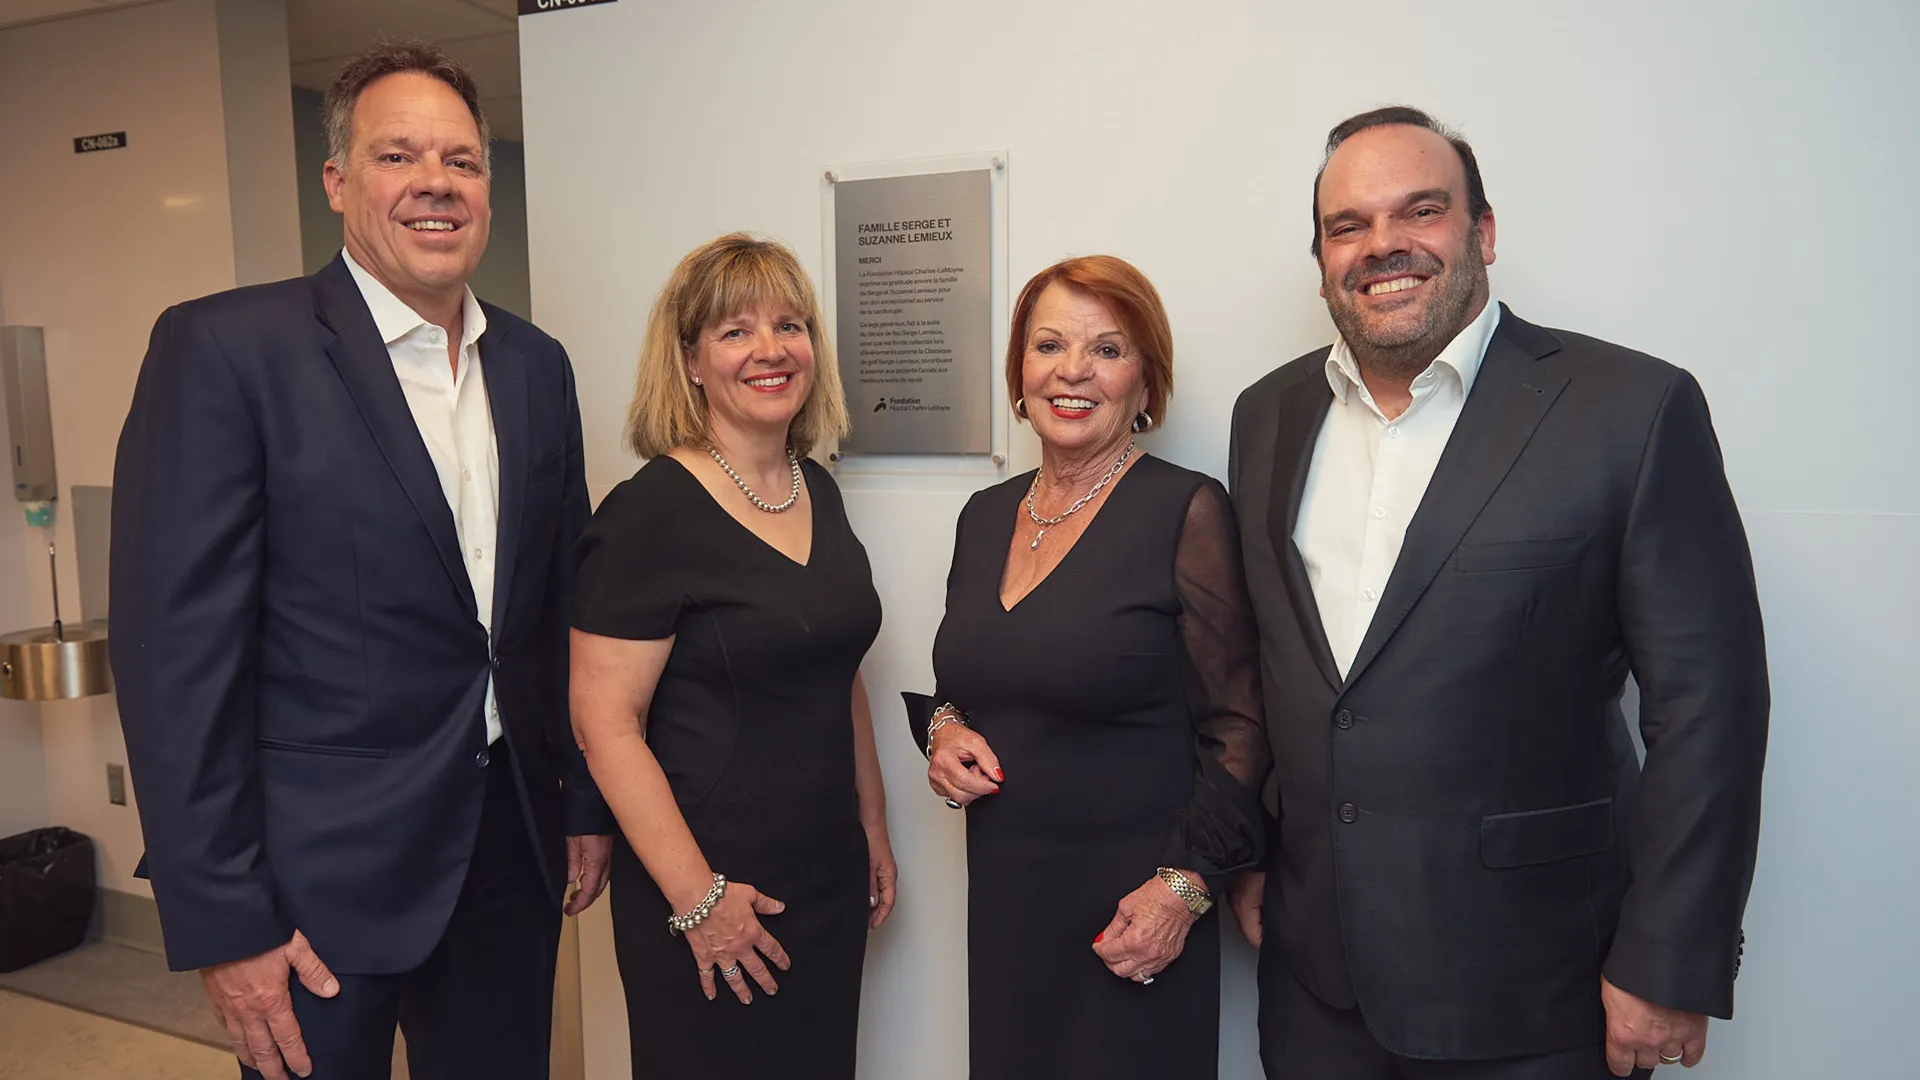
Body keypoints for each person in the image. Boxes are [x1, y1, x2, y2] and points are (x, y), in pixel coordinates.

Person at [1225, 106, 1769, 1079]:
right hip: (1316, 980)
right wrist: (1264, 845)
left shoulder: (1630, 411)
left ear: (1481, 232)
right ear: (1320, 258)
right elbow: (1288, 675)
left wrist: (1668, 958)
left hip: (1537, 987)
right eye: (1348, 226)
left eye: (1419, 211)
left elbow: (1710, 707)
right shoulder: (1268, 415)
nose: (1382, 245)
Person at [109, 40, 613, 1080]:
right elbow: (177, 663)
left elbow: (560, 605)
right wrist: (223, 917)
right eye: (399, 156)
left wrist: (579, 805)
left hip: (505, 861)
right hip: (310, 888)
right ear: (337, 181)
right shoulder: (228, 353)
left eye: (463, 161)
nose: (437, 183)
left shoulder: (534, 366)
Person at [920, 255, 1268, 1078]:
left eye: (1107, 350)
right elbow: (965, 683)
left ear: (1146, 382)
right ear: (1020, 372)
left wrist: (1182, 891)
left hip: (1134, 913)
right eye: (1049, 346)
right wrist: (941, 732)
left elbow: (1244, 724)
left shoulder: (1186, 509)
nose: (1073, 371)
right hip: (1008, 903)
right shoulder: (983, 517)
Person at [568, 233, 896, 1079]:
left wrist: (873, 826)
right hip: (709, 887)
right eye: (735, 331)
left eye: (790, 326)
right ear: (689, 361)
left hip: (823, 875)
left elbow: (835, 669)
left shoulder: (815, 487)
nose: (770, 350)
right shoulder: (649, 513)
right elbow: (605, 720)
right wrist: (698, 900)